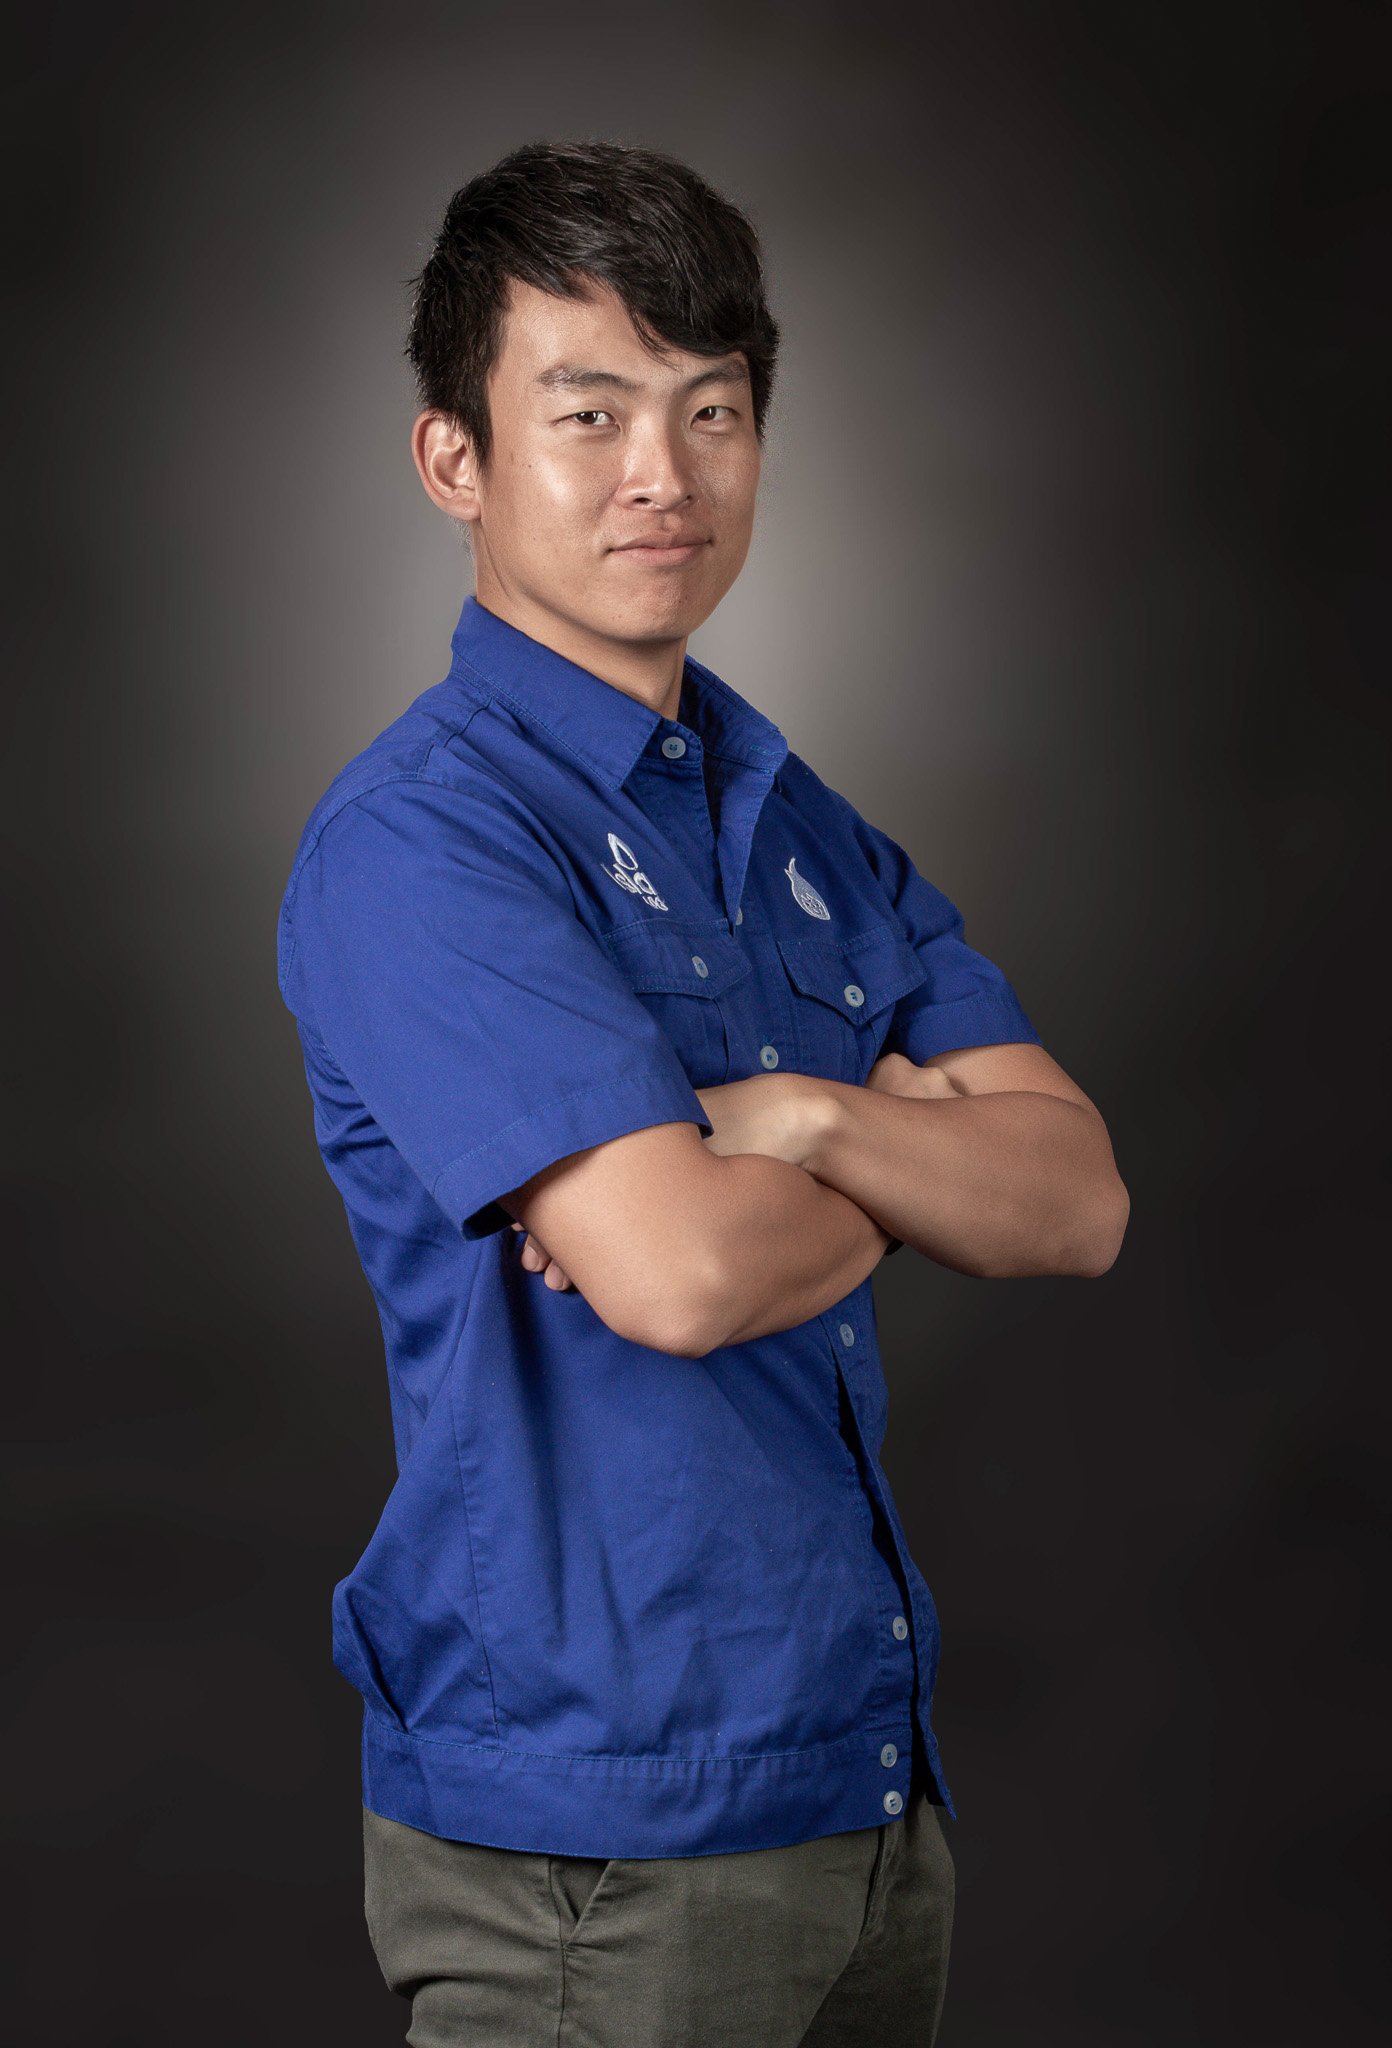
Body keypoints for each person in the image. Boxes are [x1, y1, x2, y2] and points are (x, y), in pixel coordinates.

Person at [275, 137, 1129, 2047]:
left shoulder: (806, 823)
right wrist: (920, 1146)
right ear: (456, 463)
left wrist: (813, 1124)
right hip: (605, 1848)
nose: (664, 474)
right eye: (590, 414)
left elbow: (1078, 1202)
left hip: (864, 1787)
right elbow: (672, 1272)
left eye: (712, 410)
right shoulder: (428, 847)